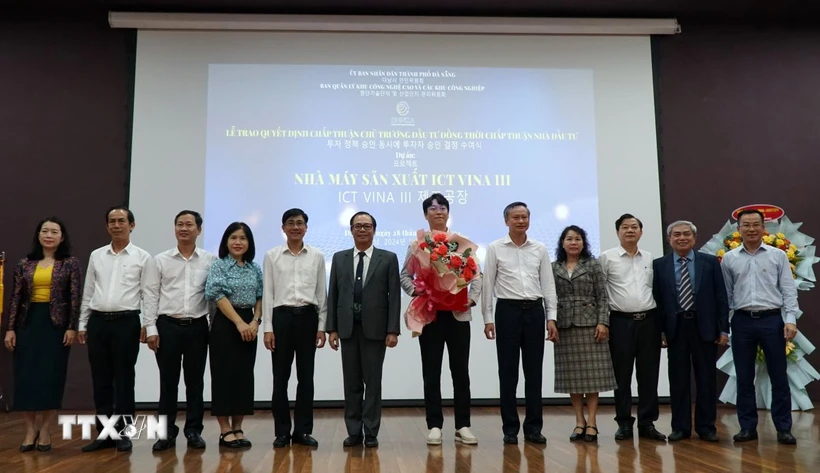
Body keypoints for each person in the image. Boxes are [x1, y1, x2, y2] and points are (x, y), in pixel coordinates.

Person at [401, 193, 480, 446]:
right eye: (432, 209)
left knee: (461, 372)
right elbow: (405, 275)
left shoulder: (461, 244)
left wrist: (472, 298)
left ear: (448, 212)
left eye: (442, 208)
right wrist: (418, 290)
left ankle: (463, 425)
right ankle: (434, 425)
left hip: (458, 315)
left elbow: (476, 276)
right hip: (431, 314)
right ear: (425, 214)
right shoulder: (417, 246)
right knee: (431, 371)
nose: (438, 212)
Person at [481, 202, 557, 445]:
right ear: (507, 221)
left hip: (534, 311)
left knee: (534, 373)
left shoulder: (539, 248)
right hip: (507, 312)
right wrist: (488, 318)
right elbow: (488, 285)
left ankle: (534, 428)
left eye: (524, 217)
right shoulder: (495, 248)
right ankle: (510, 428)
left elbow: (548, 285)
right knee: (508, 373)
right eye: (516, 217)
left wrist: (551, 317)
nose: (521, 221)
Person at [4, 217, 82, 452]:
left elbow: (74, 298)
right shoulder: (24, 264)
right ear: (38, 235)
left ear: (62, 237)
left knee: (51, 377)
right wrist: (10, 328)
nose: (49, 235)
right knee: (26, 377)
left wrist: (71, 326)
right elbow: (16, 298)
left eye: (54, 231)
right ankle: (30, 431)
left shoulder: (70, 263)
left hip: (56, 326)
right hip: (28, 324)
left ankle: (46, 429)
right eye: (44, 231)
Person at [78, 206, 152, 452]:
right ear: (107, 226)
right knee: (100, 380)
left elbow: (147, 295)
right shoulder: (97, 255)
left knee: (124, 379)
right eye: (112, 221)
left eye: (122, 221)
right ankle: (104, 434)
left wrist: (148, 325)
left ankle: (124, 433)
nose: (117, 225)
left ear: (132, 225)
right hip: (98, 322)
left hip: (126, 322)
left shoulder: (142, 257)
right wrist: (82, 323)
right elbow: (89, 290)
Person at [721, 209, 798, 445]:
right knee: (744, 377)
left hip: (772, 320)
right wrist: (726, 325)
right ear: (738, 229)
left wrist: (790, 319)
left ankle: (784, 428)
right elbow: (726, 294)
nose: (751, 229)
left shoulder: (777, 256)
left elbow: (788, 289)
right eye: (746, 225)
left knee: (779, 377)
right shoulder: (730, 258)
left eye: (756, 224)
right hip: (742, 321)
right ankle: (747, 427)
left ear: (764, 228)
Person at [326, 211, 401, 448]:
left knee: (373, 382)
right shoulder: (339, 258)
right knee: (352, 383)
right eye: (357, 226)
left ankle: (371, 431)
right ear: (351, 230)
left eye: (367, 226)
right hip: (348, 329)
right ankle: (354, 431)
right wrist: (332, 329)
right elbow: (334, 294)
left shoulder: (388, 258)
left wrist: (393, 330)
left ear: (374, 230)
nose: (362, 230)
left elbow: (394, 297)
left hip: (376, 330)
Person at [143, 210, 216, 450]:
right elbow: (151, 294)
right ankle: (166, 433)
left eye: (189, 224)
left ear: (199, 230)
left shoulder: (209, 260)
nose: (184, 228)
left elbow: (214, 297)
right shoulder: (160, 260)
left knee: (195, 383)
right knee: (168, 383)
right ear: (175, 229)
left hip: (197, 327)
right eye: (179, 224)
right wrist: (151, 328)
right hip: (167, 327)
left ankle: (194, 431)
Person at [653, 220, 729, 442]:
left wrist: (724, 329)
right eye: (676, 234)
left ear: (695, 238)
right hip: (675, 328)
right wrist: (661, 332)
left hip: (704, 327)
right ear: (669, 239)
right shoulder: (660, 265)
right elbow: (657, 300)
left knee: (706, 379)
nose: (682, 238)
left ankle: (706, 427)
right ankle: (681, 427)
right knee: (678, 379)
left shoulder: (710, 262)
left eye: (687, 234)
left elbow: (721, 297)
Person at [262, 208, 328, 448]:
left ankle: (302, 430)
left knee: (306, 378)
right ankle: (281, 431)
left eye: (300, 223)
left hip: (308, 318)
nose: (295, 227)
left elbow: (322, 293)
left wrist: (322, 326)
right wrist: (268, 328)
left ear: (306, 228)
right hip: (281, 318)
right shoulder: (272, 256)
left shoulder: (317, 255)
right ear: (283, 228)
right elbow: (268, 293)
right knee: (280, 378)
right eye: (290, 223)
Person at [599, 213, 666, 441]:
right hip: (620, 323)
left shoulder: (650, 258)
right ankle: (624, 423)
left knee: (649, 375)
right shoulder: (606, 258)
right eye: (625, 227)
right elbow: (600, 293)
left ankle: (647, 423)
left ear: (641, 232)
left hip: (649, 322)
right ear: (617, 232)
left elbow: (657, 292)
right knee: (622, 375)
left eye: (634, 227)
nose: (630, 230)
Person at [551, 225, 616, 443]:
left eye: (577, 239)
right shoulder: (554, 267)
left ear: (583, 243)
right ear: (562, 243)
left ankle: (592, 422)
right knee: (573, 378)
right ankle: (579, 421)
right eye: (569, 239)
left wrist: (603, 322)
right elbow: (550, 298)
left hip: (590, 325)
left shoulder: (593, 265)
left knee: (592, 377)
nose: (573, 243)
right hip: (564, 326)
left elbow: (603, 296)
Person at [205, 221, 263, 448]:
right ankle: (224, 429)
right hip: (226, 323)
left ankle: (238, 426)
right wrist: (239, 323)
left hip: (249, 323)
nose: (238, 242)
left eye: (243, 238)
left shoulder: (254, 268)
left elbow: (260, 296)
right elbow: (217, 295)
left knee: (243, 376)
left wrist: (255, 321)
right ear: (226, 242)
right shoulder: (219, 266)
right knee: (222, 376)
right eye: (233, 238)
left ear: (249, 243)